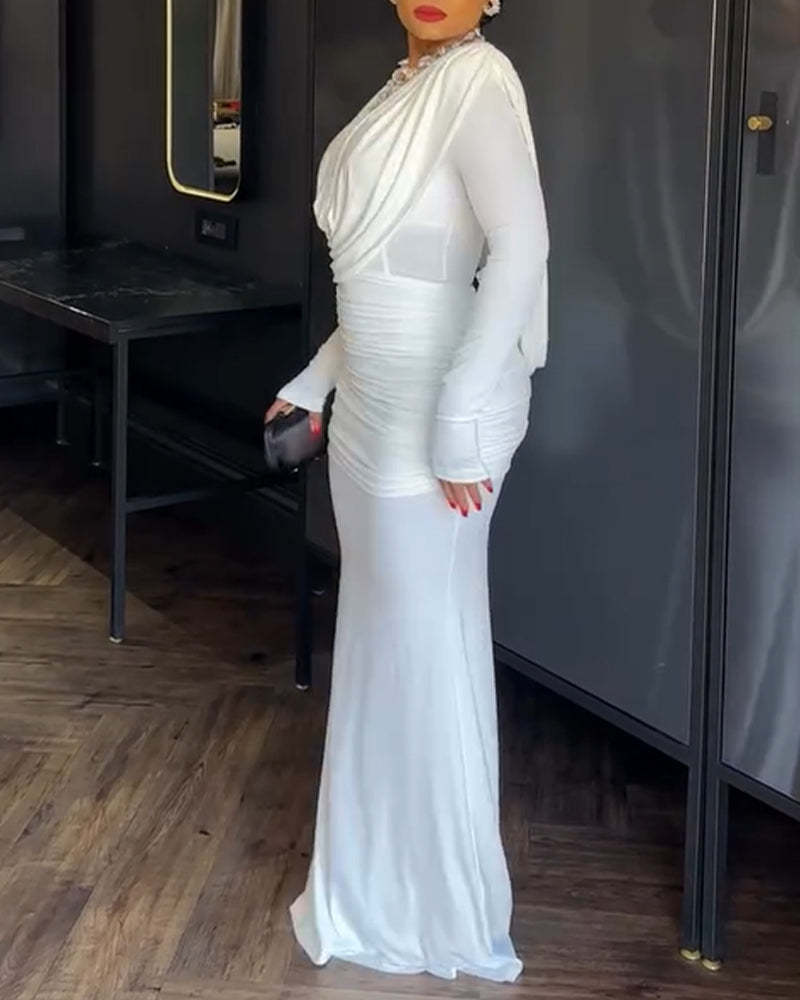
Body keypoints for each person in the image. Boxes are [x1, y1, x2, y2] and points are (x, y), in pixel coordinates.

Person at [264, 0, 549, 982]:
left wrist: (459, 417)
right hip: (371, 411)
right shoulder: (402, 90)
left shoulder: (478, 81)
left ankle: (438, 905)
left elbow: (519, 252)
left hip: (443, 419)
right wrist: (316, 382)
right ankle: (370, 882)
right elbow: (386, 278)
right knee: (384, 642)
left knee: (423, 647)